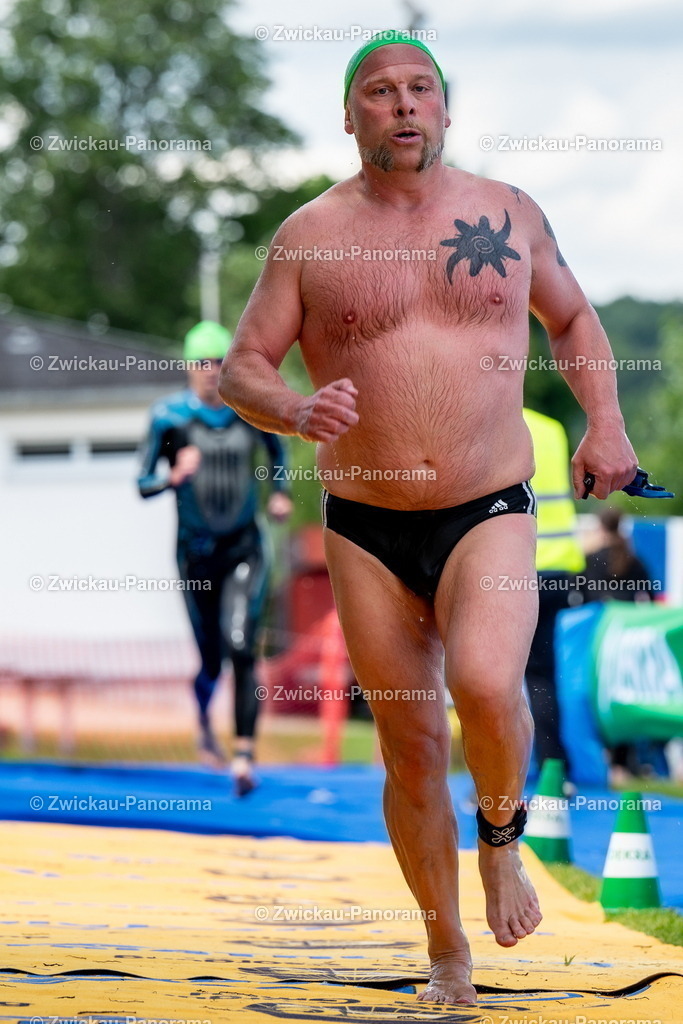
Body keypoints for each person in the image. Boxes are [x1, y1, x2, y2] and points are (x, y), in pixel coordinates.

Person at [218, 32, 637, 1006]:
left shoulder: (506, 213)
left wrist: (605, 420)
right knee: (408, 744)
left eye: (419, 88)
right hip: (365, 522)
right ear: (348, 114)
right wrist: (288, 408)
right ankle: (445, 950)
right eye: (378, 91)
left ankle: (500, 837)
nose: (402, 103)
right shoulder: (309, 235)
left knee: (490, 685)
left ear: (443, 108)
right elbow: (244, 363)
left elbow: (570, 318)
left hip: (485, 505)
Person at [138, 321, 293, 795]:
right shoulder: (169, 419)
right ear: (189, 367)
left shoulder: (248, 412)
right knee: (211, 659)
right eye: (203, 363)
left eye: (220, 363)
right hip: (195, 555)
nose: (212, 372)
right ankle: (205, 717)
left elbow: (277, 448)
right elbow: (141, 483)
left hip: (244, 546)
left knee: (243, 646)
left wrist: (279, 492)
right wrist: (172, 477)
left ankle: (244, 755)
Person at [523, 408, 585, 779]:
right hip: (559, 569)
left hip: (514, 568)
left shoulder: (488, 414)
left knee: (493, 676)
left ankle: (492, 777)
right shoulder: (552, 427)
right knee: (542, 675)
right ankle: (553, 769)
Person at [582, 506, 657, 781]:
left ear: (600, 527)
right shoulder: (632, 557)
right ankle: (623, 761)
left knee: (596, 694)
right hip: (626, 637)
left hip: (598, 634)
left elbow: (582, 595)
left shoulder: (591, 557)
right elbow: (649, 597)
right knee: (622, 694)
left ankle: (606, 759)